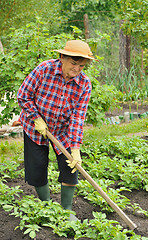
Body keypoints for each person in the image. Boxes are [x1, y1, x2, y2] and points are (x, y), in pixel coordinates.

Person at [17, 39, 95, 221]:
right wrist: (36, 117)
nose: (76, 69)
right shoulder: (44, 70)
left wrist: (75, 149)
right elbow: (23, 95)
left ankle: (66, 209)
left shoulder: (84, 85)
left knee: (71, 167)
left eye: (81, 66)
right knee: (36, 167)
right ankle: (46, 204)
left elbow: (78, 118)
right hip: (35, 127)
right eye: (73, 63)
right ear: (62, 57)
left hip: (63, 131)